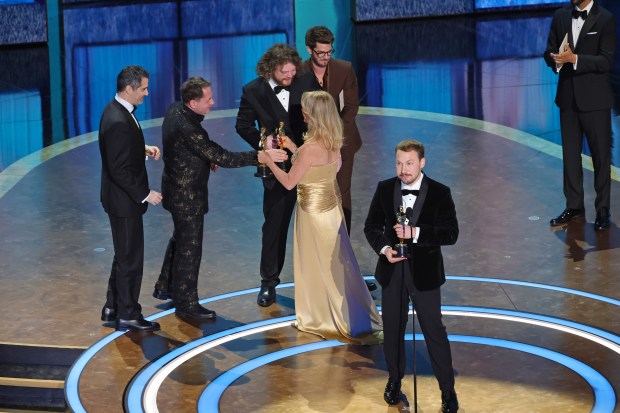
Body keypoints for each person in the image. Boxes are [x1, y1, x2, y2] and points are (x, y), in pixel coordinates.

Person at [152, 77, 287, 319]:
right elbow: (223, 156)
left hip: (175, 189)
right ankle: (187, 304)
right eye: (208, 99)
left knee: (180, 241)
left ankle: (169, 287)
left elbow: (192, 148)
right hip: (187, 196)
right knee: (189, 249)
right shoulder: (189, 126)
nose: (213, 102)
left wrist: (204, 158)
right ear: (193, 103)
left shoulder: (176, 110)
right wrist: (262, 157)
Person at [258, 90, 382, 343]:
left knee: (316, 266)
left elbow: (291, 182)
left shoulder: (309, 150)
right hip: (332, 212)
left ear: (308, 115)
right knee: (336, 266)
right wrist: (293, 147)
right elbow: (316, 170)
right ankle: (345, 312)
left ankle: (321, 316)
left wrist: (268, 161)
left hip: (313, 216)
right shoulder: (332, 141)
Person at [364, 140, 459, 411]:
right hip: (393, 270)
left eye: (409, 163)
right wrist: (384, 249)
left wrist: (415, 234)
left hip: (425, 274)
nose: (403, 169)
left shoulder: (441, 192)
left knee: (434, 331)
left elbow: (451, 233)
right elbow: (371, 226)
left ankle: (447, 391)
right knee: (393, 329)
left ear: (422, 162)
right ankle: (394, 380)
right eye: (399, 163)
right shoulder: (385, 188)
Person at [235, 43, 318, 307]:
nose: (290, 77)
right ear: (270, 68)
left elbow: (323, 116)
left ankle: (339, 278)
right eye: (284, 72)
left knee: (324, 223)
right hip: (279, 168)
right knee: (275, 225)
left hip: (312, 164)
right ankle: (268, 282)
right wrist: (265, 146)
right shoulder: (252, 90)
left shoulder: (306, 81)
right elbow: (243, 125)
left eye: (293, 71)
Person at [301, 26, 376, 292]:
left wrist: (334, 139)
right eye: (320, 52)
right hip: (310, 147)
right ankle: (319, 268)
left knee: (342, 198)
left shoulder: (344, 68)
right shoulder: (299, 72)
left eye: (329, 51)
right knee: (316, 204)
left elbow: (351, 107)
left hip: (342, 143)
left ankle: (345, 265)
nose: (325, 56)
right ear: (310, 49)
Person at [98, 65, 163, 332]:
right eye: (143, 88)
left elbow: (120, 152)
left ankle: (112, 306)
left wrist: (141, 148)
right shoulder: (117, 120)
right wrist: (146, 194)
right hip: (125, 202)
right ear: (129, 88)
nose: (146, 93)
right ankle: (127, 314)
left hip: (121, 200)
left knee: (124, 254)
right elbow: (119, 169)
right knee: (131, 259)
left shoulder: (118, 111)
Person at [544, 0, 616, 231]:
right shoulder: (560, 15)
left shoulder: (605, 19)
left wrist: (574, 59)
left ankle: (603, 209)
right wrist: (554, 59)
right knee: (571, 157)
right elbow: (549, 50)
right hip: (568, 99)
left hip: (595, 101)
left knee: (600, 157)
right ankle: (574, 206)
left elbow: (606, 61)